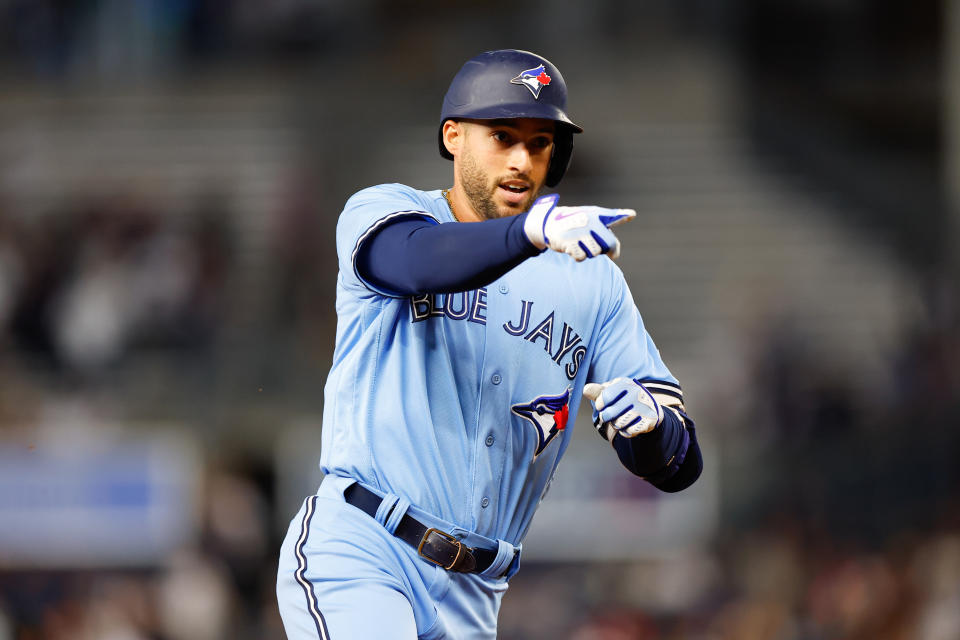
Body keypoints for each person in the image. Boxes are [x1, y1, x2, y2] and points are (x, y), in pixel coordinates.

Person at [276, 49, 703, 640]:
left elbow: (681, 467)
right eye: (502, 135)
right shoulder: (388, 212)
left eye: (539, 142)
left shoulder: (593, 280)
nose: (522, 160)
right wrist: (530, 232)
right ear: (452, 136)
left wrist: (654, 430)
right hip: (364, 550)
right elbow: (417, 264)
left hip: (478, 594)